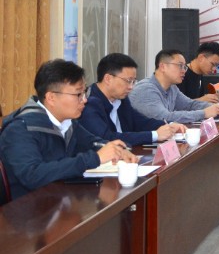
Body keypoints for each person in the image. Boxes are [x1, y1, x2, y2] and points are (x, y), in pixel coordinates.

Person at [0, 59, 137, 201]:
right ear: (51, 97)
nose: (84, 100)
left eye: (84, 92)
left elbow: (92, 142)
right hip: (30, 209)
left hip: (60, 201)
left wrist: (117, 149)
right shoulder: (20, 130)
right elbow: (32, 175)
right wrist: (95, 158)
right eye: (78, 94)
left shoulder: (67, 122)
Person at [80, 53, 187, 147]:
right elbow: (108, 138)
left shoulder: (121, 99)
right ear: (108, 79)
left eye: (133, 81)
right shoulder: (89, 103)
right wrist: (155, 135)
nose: (131, 87)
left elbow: (141, 122)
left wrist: (169, 125)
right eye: (128, 81)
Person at [129, 49, 219, 123]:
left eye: (184, 67)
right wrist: (204, 113)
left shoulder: (172, 88)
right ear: (163, 67)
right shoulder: (146, 89)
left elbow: (190, 105)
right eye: (180, 66)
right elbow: (165, 118)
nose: (184, 71)